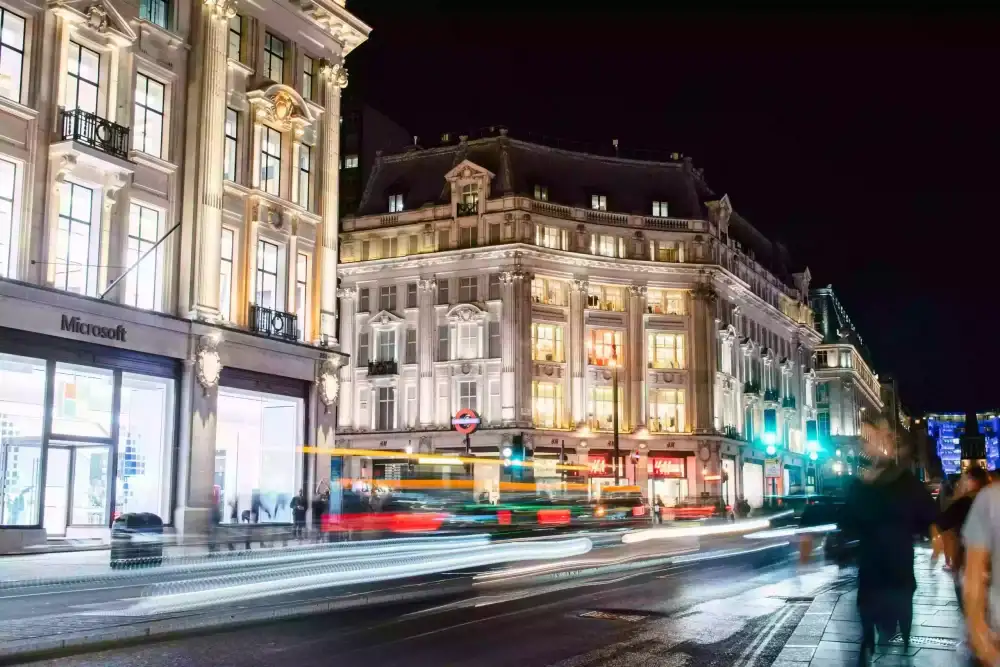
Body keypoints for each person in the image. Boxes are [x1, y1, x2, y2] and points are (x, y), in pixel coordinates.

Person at [842, 456, 937, 664]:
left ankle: (874, 639)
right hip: (896, 560)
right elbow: (929, 515)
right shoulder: (906, 483)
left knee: (874, 602)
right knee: (900, 602)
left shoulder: (863, 486)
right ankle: (899, 641)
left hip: (876, 561)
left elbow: (847, 521)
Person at [934, 466, 991, 612]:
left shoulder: (964, 502)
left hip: (969, 561)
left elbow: (942, 523)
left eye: (965, 479)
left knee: (969, 609)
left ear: (972, 481)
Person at [962, 477, 1000, 666]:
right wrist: (979, 634)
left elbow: (974, 574)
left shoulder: (990, 499)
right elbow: (974, 574)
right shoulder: (990, 499)